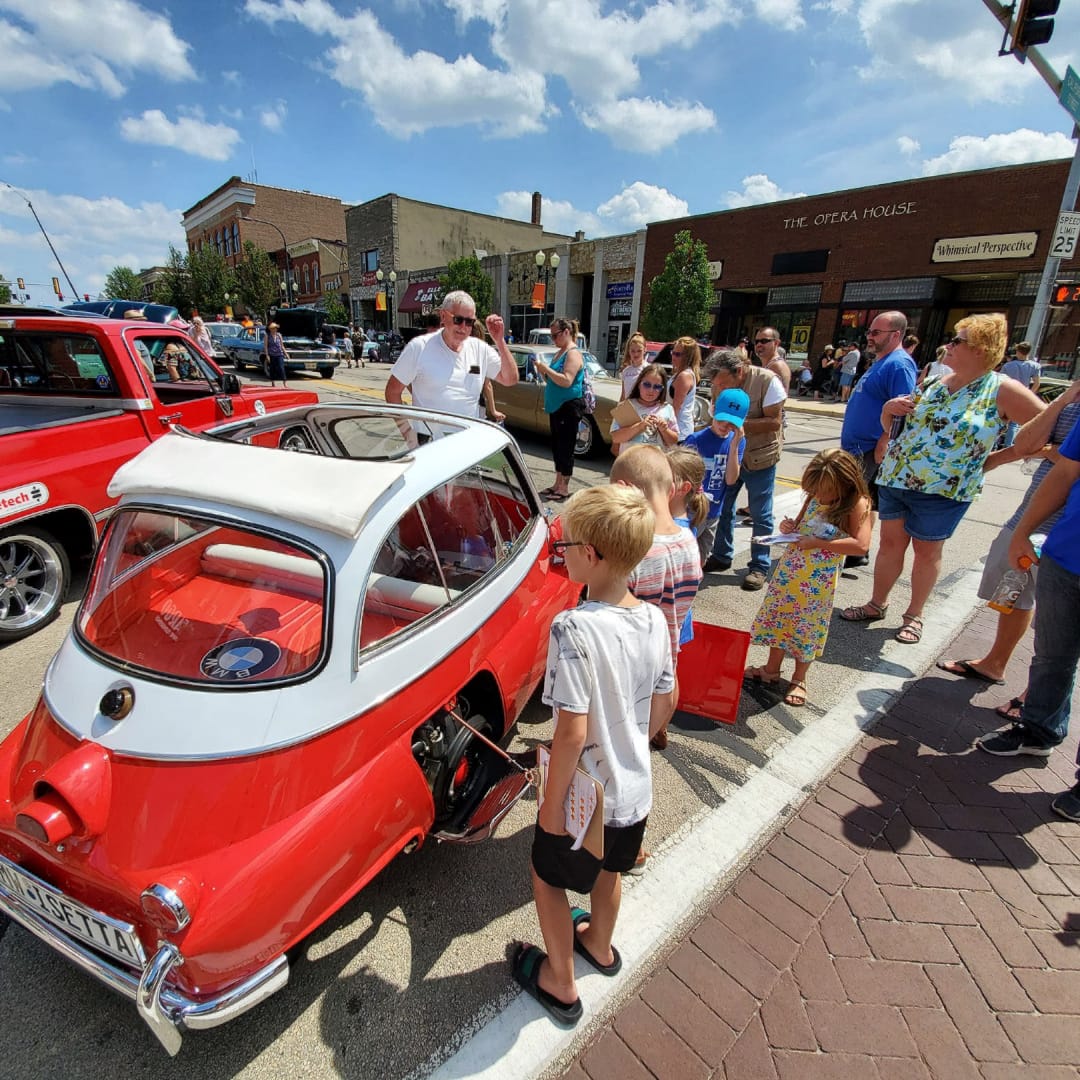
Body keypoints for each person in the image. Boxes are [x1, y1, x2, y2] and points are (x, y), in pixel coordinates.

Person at [512, 484, 673, 1026]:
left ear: (593, 555)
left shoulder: (573, 627)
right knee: (611, 871)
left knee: (546, 876)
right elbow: (666, 699)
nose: (564, 551)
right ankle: (599, 946)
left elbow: (571, 734)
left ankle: (560, 978)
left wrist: (550, 806)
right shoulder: (654, 618)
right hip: (635, 788)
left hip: (589, 796)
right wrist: (633, 740)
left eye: (568, 544)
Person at [841, 313, 1045, 644]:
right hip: (897, 478)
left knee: (926, 552)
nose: (947, 345)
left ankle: (914, 616)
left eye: (957, 341)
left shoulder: (1002, 389)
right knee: (890, 546)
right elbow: (898, 430)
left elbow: (1043, 429)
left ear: (981, 348)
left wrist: (993, 460)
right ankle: (876, 604)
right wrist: (887, 411)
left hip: (944, 490)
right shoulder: (936, 383)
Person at [937, 383, 1080, 696]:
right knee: (1012, 589)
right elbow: (1025, 443)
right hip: (1032, 515)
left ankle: (1038, 697)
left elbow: (1066, 463)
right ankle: (995, 662)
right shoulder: (1070, 402)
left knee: (1059, 614)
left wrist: (1055, 452)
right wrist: (1063, 400)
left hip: (1069, 527)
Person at [973, 418, 1080, 790]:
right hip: (1067, 556)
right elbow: (1065, 472)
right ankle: (1038, 731)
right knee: (1053, 655)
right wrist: (1022, 531)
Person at [746, 449, 872, 707]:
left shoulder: (857, 503)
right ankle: (771, 669)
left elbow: (861, 545)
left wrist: (818, 543)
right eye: (815, 490)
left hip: (818, 578)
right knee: (781, 617)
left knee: (807, 626)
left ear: (844, 483)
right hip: (791, 569)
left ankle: (799, 678)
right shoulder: (815, 495)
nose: (819, 496)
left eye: (825, 491)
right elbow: (802, 523)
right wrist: (789, 528)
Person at [611, 444, 702, 753]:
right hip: (668, 646)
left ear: (624, 489)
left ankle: (630, 745)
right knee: (668, 679)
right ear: (671, 488)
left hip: (631, 660)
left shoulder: (636, 551)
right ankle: (658, 730)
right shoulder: (689, 540)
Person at [702, 348, 786, 590]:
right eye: (716, 384)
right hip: (728, 454)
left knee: (761, 513)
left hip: (759, 457)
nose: (719, 387)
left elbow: (774, 421)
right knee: (723, 507)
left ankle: (759, 566)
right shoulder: (720, 384)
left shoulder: (768, 381)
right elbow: (713, 415)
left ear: (738, 372)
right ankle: (721, 555)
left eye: (722, 382)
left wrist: (739, 425)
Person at [838, 311, 917, 569]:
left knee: (853, 498)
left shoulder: (899, 364)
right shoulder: (883, 361)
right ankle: (856, 550)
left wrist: (885, 439)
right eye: (869, 332)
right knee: (863, 499)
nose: (869, 337)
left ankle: (852, 548)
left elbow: (903, 407)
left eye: (876, 332)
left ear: (896, 335)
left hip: (870, 447)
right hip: (859, 445)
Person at [385, 290, 516, 418]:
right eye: (458, 320)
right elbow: (392, 392)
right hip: (431, 439)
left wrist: (499, 341)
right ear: (443, 316)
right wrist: (408, 433)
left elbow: (510, 379)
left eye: (469, 322)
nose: (463, 327)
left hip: (467, 437)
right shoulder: (419, 347)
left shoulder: (480, 349)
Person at [684, 388, 748, 568]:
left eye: (731, 424)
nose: (724, 426)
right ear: (713, 409)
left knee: (701, 559)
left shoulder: (738, 442)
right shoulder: (695, 439)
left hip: (714, 511)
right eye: (721, 419)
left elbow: (730, 480)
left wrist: (735, 445)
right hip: (693, 510)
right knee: (684, 558)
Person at [532, 316, 584, 502]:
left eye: (555, 335)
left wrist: (546, 369)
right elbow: (554, 381)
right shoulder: (560, 352)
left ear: (567, 332)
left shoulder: (573, 353)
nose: (553, 340)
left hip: (568, 406)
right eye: (552, 336)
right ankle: (557, 482)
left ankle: (564, 487)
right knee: (557, 445)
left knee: (565, 446)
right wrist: (543, 372)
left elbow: (567, 379)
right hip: (557, 406)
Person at [610, 365, 679, 454]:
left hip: (656, 464)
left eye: (657, 387)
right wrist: (640, 426)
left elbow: (673, 442)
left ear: (662, 389)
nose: (651, 390)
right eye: (647, 384)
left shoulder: (667, 409)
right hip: (630, 462)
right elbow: (616, 438)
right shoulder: (626, 406)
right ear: (639, 384)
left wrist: (664, 429)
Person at [1000, 341, 1041, 448]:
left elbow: (1000, 381)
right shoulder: (1034, 366)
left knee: (1001, 420)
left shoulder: (1008, 365)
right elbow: (1037, 383)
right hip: (1022, 396)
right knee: (1014, 423)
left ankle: (994, 444)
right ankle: (1008, 445)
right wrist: (1029, 395)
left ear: (1018, 352)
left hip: (1007, 395)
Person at [668, 337, 701, 441]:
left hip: (679, 430)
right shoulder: (679, 373)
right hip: (677, 428)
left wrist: (666, 430)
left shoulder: (684, 375)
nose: (673, 356)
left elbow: (676, 407)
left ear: (687, 357)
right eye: (673, 352)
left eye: (677, 354)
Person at [753, 327, 791, 395]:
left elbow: (778, 400)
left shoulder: (777, 366)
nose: (759, 344)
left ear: (776, 343)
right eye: (756, 342)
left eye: (764, 341)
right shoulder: (768, 364)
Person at [618, 332, 647, 400]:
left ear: (645, 350)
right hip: (628, 408)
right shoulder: (625, 371)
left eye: (639, 351)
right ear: (629, 351)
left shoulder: (648, 369)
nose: (636, 354)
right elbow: (623, 395)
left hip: (642, 408)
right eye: (633, 351)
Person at [264, 322, 289, 387]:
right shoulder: (267, 336)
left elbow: (282, 345)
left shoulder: (279, 335)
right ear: (270, 329)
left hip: (279, 354)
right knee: (272, 369)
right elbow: (266, 346)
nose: (274, 329)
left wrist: (286, 353)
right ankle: (273, 382)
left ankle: (284, 382)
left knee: (281, 368)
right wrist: (267, 355)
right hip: (272, 354)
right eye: (272, 328)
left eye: (275, 328)